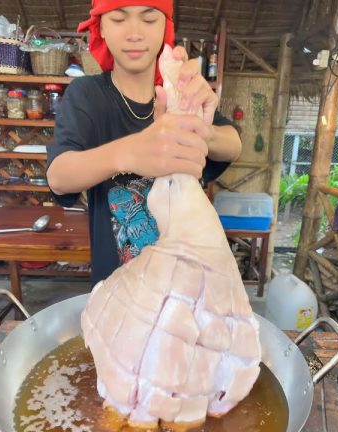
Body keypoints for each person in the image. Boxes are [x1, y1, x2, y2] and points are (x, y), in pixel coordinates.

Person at [46, 0, 242, 285]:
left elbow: (233, 145)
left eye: (149, 20)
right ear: (101, 27)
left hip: (182, 288)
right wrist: (129, 153)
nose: (134, 33)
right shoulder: (87, 95)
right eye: (119, 19)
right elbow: (59, 176)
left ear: (165, 28)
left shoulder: (177, 95)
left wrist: (200, 127)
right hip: (116, 291)